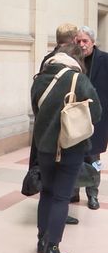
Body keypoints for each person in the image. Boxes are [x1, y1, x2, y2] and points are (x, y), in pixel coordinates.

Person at [30, 44, 101, 253]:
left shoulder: (39, 78)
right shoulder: (78, 79)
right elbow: (96, 113)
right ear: (76, 59)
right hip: (71, 147)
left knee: (47, 193)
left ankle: (42, 241)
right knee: (62, 197)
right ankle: (53, 248)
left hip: (44, 146)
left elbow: (36, 109)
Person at [26, 23, 80, 225]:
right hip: (62, 126)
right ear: (73, 38)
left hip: (44, 124)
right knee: (60, 173)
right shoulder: (67, 60)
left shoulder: (47, 59)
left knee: (48, 173)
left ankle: (50, 211)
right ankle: (58, 212)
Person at [73, 26, 108, 210]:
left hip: (97, 119)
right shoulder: (71, 61)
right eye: (78, 41)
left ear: (93, 42)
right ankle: (73, 192)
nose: (81, 44)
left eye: (85, 41)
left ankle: (92, 194)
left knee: (93, 158)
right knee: (74, 157)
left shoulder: (105, 60)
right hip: (75, 119)